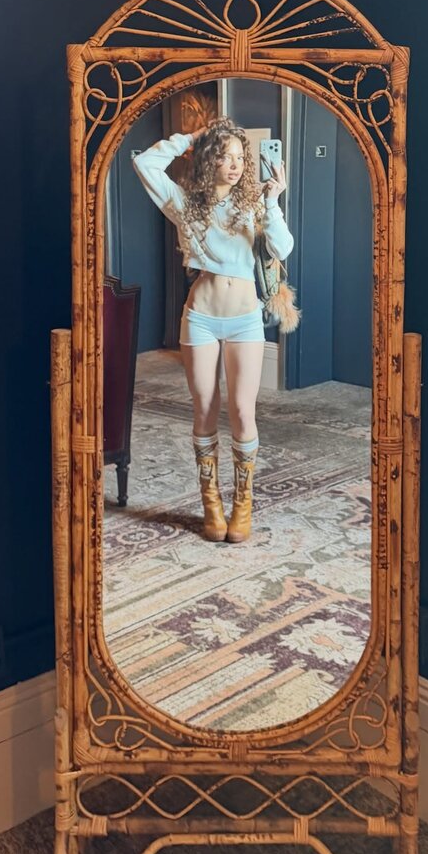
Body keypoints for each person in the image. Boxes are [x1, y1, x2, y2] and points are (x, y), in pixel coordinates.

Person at [132, 116, 294, 543]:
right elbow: (145, 164)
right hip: (201, 319)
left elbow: (282, 248)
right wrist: (190, 137)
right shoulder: (184, 203)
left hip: (244, 320)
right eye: (225, 156)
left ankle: (243, 504)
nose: (235, 165)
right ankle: (211, 504)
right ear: (208, 159)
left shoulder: (254, 204)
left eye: (241, 157)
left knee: (242, 410)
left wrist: (273, 200)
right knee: (204, 408)